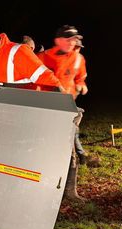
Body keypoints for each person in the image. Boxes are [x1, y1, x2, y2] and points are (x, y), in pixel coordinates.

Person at [37, 25, 89, 201]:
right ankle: (44, 186)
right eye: (68, 39)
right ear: (57, 41)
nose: (72, 43)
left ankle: (70, 191)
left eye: (74, 39)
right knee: (46, 149)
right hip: (47, 110)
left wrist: (82, 85)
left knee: (69, 149)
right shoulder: (43, 58)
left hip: (68, 110)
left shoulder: (78, 59)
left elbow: (80, 77)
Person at [0, 20, 63, 91]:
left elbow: (49, 80)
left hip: (22, 113)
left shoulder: (18, 52)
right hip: (0, 113)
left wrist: (65, 108)